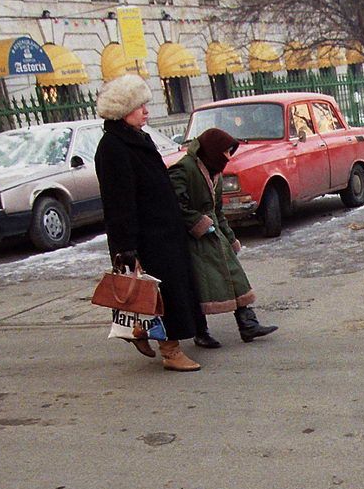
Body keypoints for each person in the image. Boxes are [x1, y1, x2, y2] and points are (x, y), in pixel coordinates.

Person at [94, 73, 209, 372]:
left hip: (164, 230)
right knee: (161, 293)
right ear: (122, 110)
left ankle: (141, 331)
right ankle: (170, 352)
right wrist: (126, 247)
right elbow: (118, 202)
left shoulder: (138, 139)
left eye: (146, 104)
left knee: (161, 291)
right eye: (140, 106)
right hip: (145, 236)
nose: (146, 111)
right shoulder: (113, 147)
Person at [168, 128, 277, 344]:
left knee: (234, 274)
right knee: (200, 284)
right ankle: (201, 332)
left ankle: (248, 324)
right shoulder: (185, 168)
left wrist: (229, 237)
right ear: (213, 150)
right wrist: (198, 223)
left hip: (214, 232)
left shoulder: (213, 171)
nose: (228, 157)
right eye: (226, 152)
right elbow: (175, 204)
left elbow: (218, 210)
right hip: (194, 238)